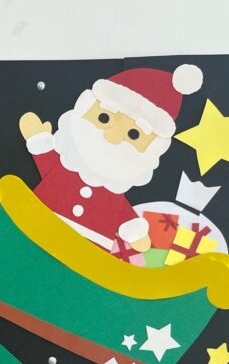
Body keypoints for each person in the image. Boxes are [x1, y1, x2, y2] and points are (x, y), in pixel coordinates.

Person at [18, 64, 202, 253]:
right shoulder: (69, 164)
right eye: (104, 119)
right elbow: (49, 165)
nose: (113, 137)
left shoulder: (114, 189)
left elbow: (120, 210)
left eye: (133, 134)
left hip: (89, 249)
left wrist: (133, 229)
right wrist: (40, 141)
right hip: (38, 225)